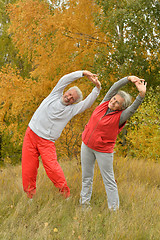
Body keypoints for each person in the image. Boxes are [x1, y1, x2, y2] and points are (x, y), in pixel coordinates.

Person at [22, 70, 101, 199]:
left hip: (46, 142)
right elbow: (65, 79)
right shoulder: (54, 95)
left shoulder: (71, 109)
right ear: (66, 92)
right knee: (28, 168)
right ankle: (29, 197)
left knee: (53, 169)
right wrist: (83, 73)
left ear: (73, 102)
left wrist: (97, 88)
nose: (69, 98)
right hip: (31, 134)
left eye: (72, 99)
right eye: (69, 94)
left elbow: (87, 104)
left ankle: (65, 195)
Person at [80, 75, 147, 210]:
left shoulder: (121, 117)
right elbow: (114, 87)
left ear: (122, 108)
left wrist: (141, 94)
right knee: (86, 177)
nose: (113, 102)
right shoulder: (104, 103)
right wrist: (128, 78)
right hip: (86, 145)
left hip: (103, 151)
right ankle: (84, 206)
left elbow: (133, 108)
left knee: (109, 181)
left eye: (117, 103)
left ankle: (114, 210)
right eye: (114, 99)